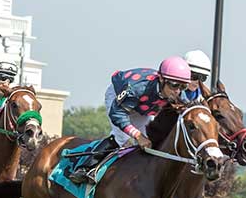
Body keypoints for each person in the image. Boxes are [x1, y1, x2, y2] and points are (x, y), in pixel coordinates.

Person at [67, 56, 191, 184]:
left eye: (183, 86)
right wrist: (137, 135)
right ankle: (85, 168)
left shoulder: (178, 94)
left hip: (143, 108)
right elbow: (117, 113)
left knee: (150, 142)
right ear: (161, 79)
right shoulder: (138, 87)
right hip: (118, 102)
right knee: (121, 138)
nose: (177, 91)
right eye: (174, 85)